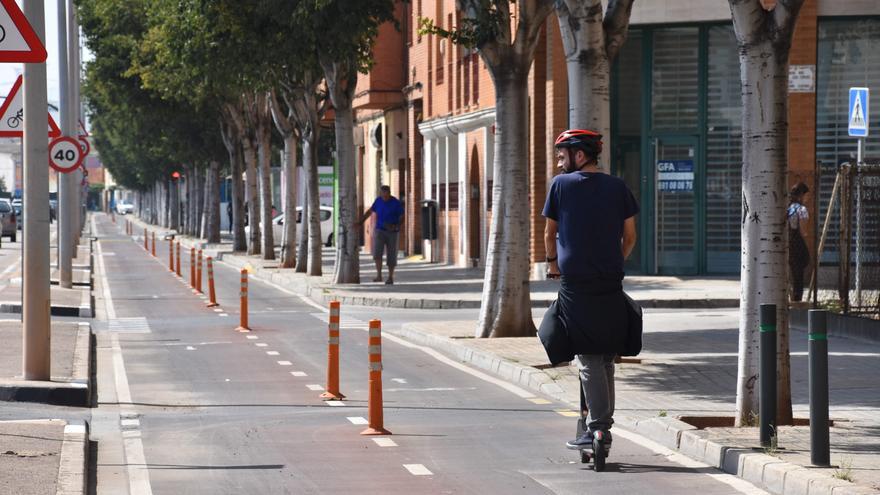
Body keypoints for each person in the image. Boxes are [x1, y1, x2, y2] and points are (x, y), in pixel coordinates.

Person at [542, 129, 639, 450]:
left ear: (579, 155)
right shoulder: (618, 186)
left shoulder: (561, 186)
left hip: (576, 285)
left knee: (586, 357)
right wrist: (613, 263)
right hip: (610, 281)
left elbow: (549, 233)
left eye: (561, 156)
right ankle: (599, 426)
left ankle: (597, 428)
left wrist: (552, 264)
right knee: (606, 356)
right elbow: (630, 237)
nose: (559, 164)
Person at [357, 185, 404, 285]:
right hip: (379, 230)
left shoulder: (396, 203)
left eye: (386, 195)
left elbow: (401, 216)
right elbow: (370, 211)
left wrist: (396, 226)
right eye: (383, 194)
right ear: (380, 193)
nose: (384, 197)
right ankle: (379, 275)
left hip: (392, 232)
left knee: (391, 255)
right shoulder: (378, 201)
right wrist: (360, 222)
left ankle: (390, 277)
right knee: (377, 254)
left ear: (389, 193)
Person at [787, 183, 810, 302]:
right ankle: (797, 297)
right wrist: (805, 236)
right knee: (801, 269)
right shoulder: (802, 209)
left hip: (788, 242)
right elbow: (803, 230)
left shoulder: (788, 208)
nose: (808, 199)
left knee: (793, 270)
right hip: (797, 242)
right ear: (801, 195)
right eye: (806, 196)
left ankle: (794, 295)